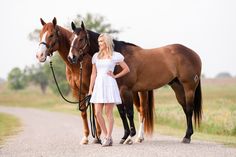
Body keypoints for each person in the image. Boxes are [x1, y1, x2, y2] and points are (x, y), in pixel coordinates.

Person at [88, 33, 130, 147]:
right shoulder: (96, 56)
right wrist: (90, 89)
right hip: (98, 85)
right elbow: (93, 74)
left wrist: (116, 76)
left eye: (101, 41)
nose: (99, 44)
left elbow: (126, 69)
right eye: (98, 42)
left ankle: (108, 137)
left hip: (109, 84)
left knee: (108, 113)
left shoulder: (115, 55)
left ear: (106, 42)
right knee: (97, 113)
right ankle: (107, 135)